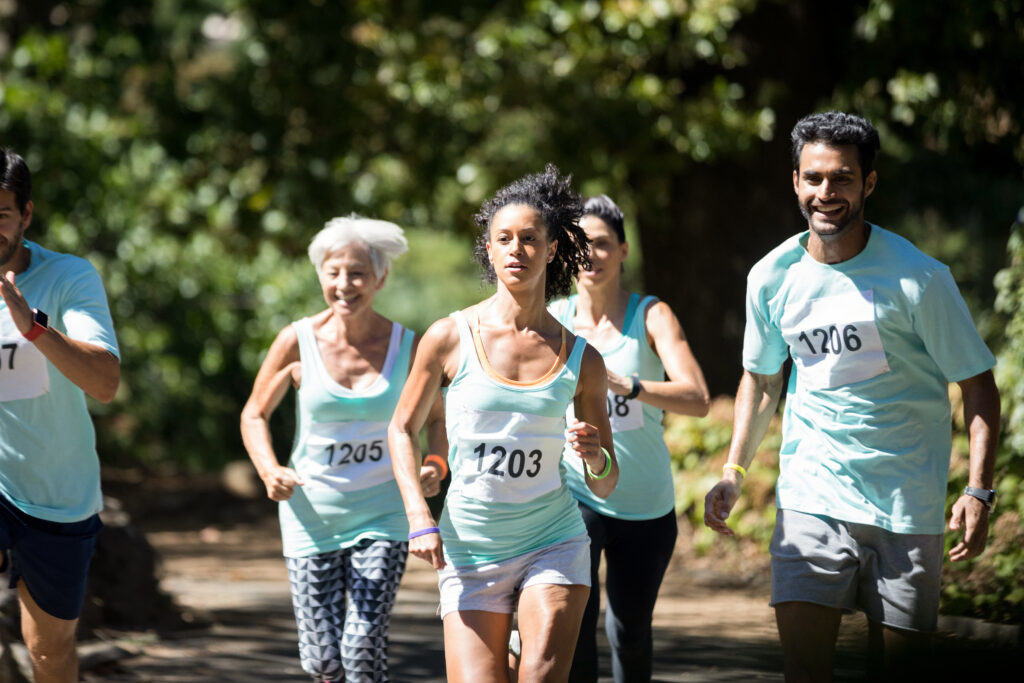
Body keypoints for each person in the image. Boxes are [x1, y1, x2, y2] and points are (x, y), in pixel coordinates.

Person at [703, 111, 1001, 682]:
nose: (826, 193)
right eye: (813, 178)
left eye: (841, 178)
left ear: (868, 182)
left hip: (906, 503)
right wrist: (734, 470)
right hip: (811, 496)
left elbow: (977, 384)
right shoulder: (771, 277)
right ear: (794, 181)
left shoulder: (919, 279)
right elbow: (763, 380)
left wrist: (979, 490)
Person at [388, 164, 618, 683]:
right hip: (471, 546)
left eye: (530, 239)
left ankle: (524, 650)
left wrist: (595, 453)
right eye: (504, 239)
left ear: (553, 248)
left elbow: (607, 479)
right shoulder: (449, 336)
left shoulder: (583, 358)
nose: (517, 249)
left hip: (553, 537)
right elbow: (401, 428)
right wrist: (418, 516)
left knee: (542, 676)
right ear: (489, 250)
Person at [240, 216, 446, 683]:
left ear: (380, 278)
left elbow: (437, 419)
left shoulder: (408, 347)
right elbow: (254, 413)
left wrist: (436, 463)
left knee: (361, 645)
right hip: (311, 517)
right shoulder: (297, 341)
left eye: (357, 273)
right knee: (324, 662)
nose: (344, 284)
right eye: (333, 272)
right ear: (320, 275)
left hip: (384, 513)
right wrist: (269, 469)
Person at [548, 194, 710, 683]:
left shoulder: (651, 315)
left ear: (622, 251)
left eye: (600, 244)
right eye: (579, 245)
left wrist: (630, 385)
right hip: (574, 497)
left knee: (630, 632)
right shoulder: (553, 315)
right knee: (572, 630)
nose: (589, 255)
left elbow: (698, 397)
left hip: (645, 503)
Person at [0, 148, 121, 683]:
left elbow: (105, 383)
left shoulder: (70, 277)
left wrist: (34, 329)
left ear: (26, 214)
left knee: (48, 650)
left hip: (56, 493)